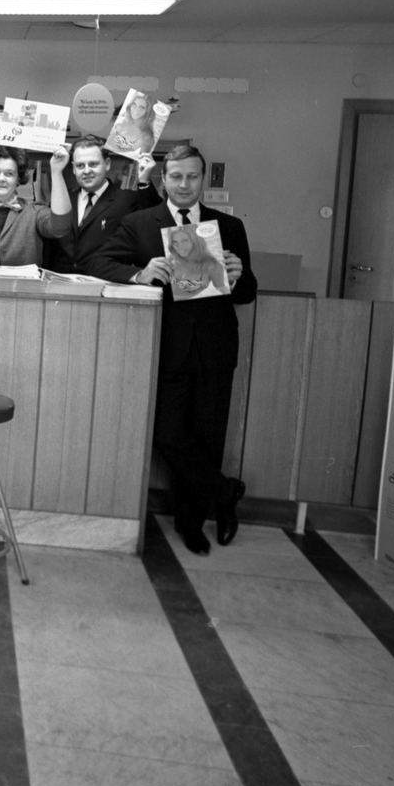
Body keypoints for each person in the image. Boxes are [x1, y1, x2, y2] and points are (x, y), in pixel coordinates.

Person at [91, 145, 256, 556]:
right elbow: (99, 263)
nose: (184, 185)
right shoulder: (140, 222)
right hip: (164, 346)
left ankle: (191, 524)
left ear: (203, 180)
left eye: (192, 176)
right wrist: (140, 273)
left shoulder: (228, 226)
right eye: (176, 176)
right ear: (163, 179)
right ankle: (224, 492)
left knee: (208, 438)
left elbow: (248, 292)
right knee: (167, 435)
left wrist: (238, 276)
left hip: (215, 348)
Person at [43, 135, 160, 276]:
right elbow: (49, 249)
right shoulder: (62, 200)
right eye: (80, 165)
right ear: (73, 168)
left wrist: (144, 182)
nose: (86, 171)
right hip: (60, 284)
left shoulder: (127, 200)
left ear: (107, 164)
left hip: (105, 283)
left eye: (93, 164)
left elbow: (157, 220)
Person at [168, 223, 230, 298]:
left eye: (185, 240)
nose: (180, 247)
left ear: (196, 241)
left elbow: (222, 289)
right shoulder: (172, 258)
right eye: (175, 242)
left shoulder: (212, 266)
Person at [108, 92, 159, 158]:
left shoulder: (146, 136)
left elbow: (142, 159)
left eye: (142, 107)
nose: (136, 109)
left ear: (148, 111)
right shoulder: (121, 120)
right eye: (134, 104)